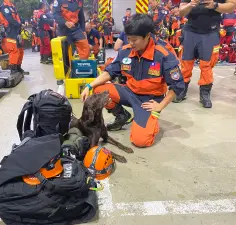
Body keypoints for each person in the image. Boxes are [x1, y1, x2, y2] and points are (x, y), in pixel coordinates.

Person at [80, 14, 185, 147]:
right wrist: (89, 86)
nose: (130, 43)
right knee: (98, 91)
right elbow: (110, 71)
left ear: (147, 36)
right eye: (128, 39)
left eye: (134, 40)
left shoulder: (163, 54)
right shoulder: (126, 51)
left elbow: (177, 85)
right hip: (129, 93)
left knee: (140, 141)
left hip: (149, 100)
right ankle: (122, 115)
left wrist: (160, 106)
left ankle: (149, 121)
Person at [175, 0, 236, 108]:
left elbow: (231, 6)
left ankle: (205, 93)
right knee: (186, 62)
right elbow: (181, 12)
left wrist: (215, 5)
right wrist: (190, 5)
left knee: (207, 64)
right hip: (190, 31)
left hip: (211, 32)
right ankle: (181, 90)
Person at [0, 0, 29, 75]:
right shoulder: (4, 7)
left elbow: (18, 17)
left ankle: (18, 67)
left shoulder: (12, 7)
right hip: (10, 32)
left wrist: (25, 21)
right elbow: (10, 20)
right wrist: (20, 25)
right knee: (14, 50)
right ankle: (13, 69)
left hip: (17, 31)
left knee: (20, 50)